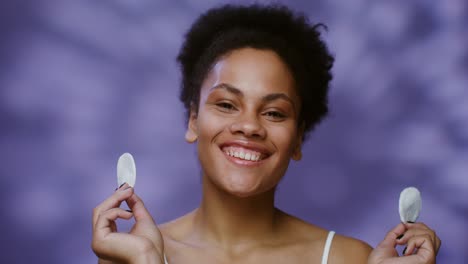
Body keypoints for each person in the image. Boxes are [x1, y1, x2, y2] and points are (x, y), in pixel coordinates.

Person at [92, 4, 441, 264]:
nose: (249, 126)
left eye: (274, 112)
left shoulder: (348, 258)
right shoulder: (132, 254)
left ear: (298, 139)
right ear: (193, 120)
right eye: (227, 104)